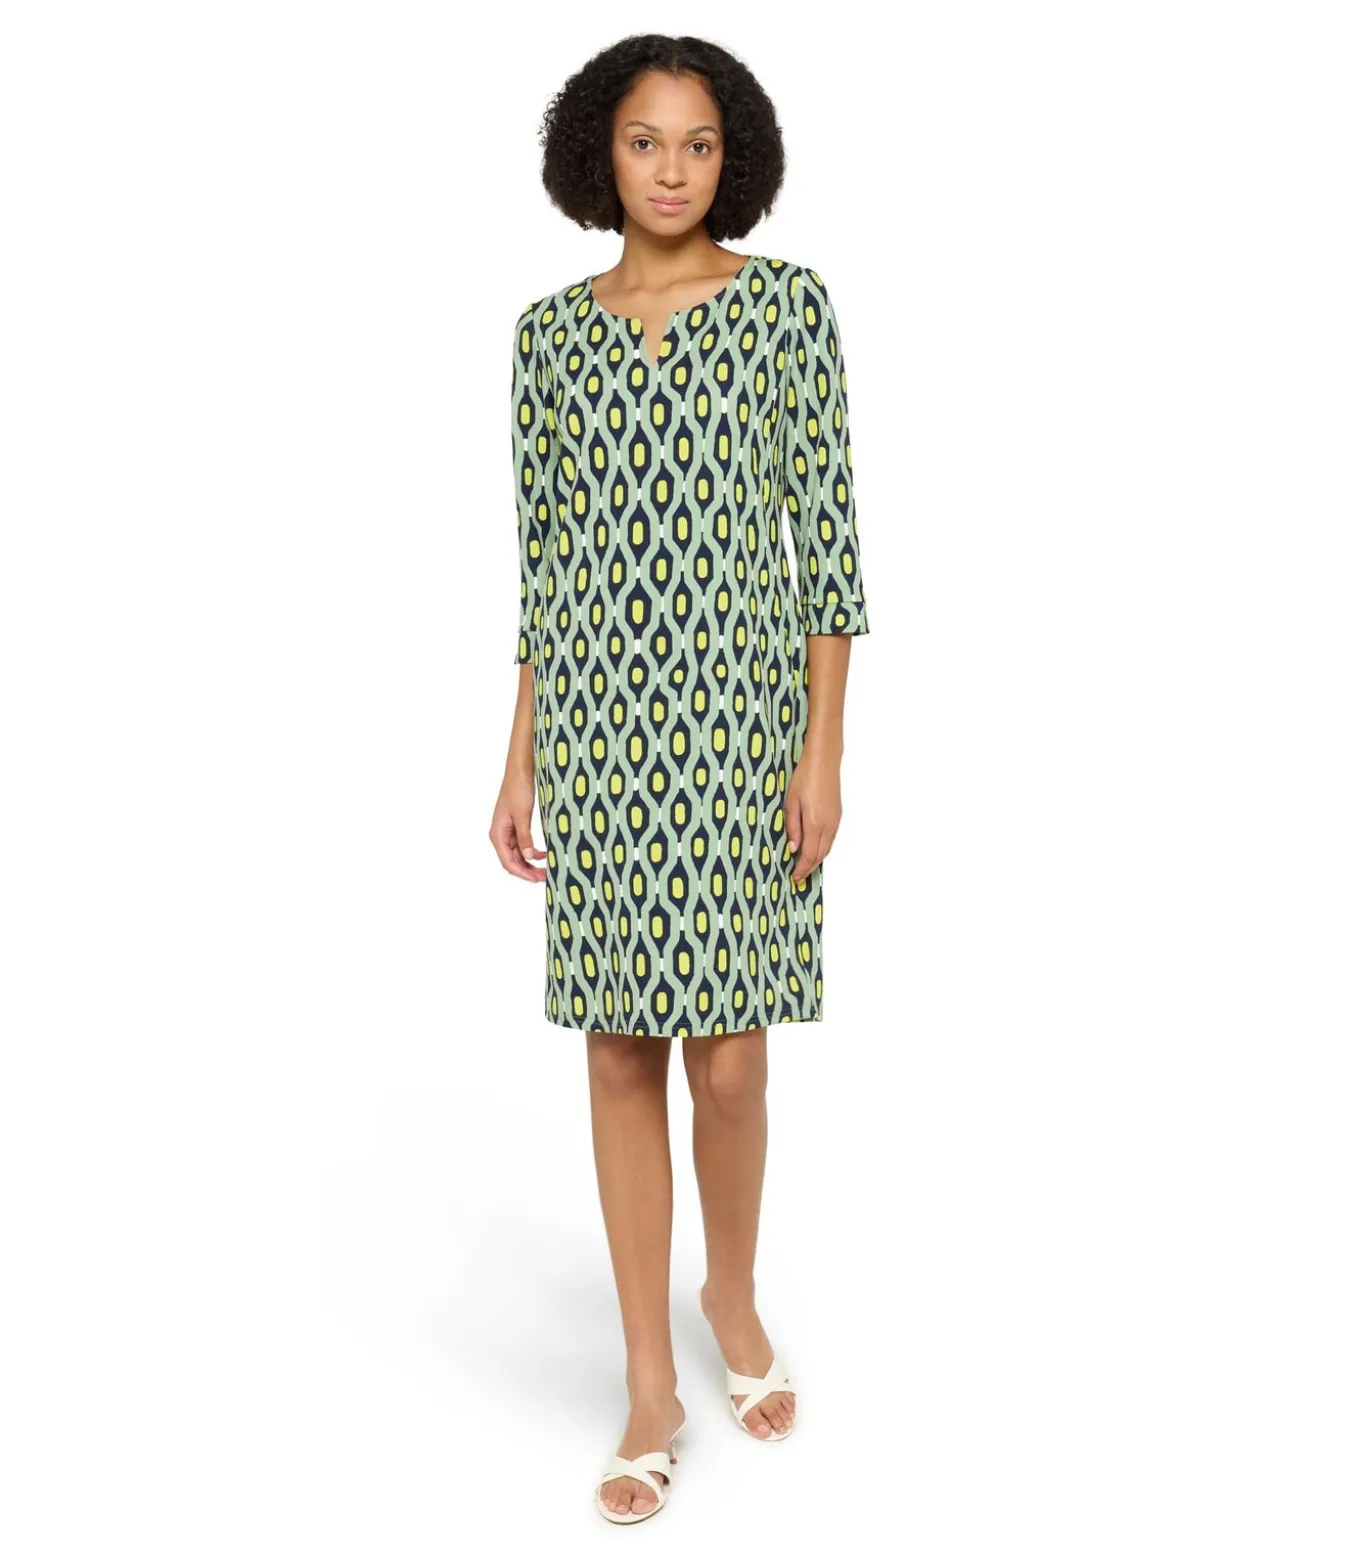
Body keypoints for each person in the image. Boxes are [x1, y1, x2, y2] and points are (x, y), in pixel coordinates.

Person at [489, 34, 871, 1525]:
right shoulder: (546, 338)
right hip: (599, 733)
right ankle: (649, 1378)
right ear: (600, 150)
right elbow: (548, 564)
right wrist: (520, 755)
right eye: (645, 140)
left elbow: (827, 546)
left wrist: (823, 749)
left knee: (730, 1058)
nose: (671, 168)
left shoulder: (786, 309)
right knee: (617, 1050)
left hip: (741, 731)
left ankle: (732, 1288)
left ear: (735, 157)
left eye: (698, 143)